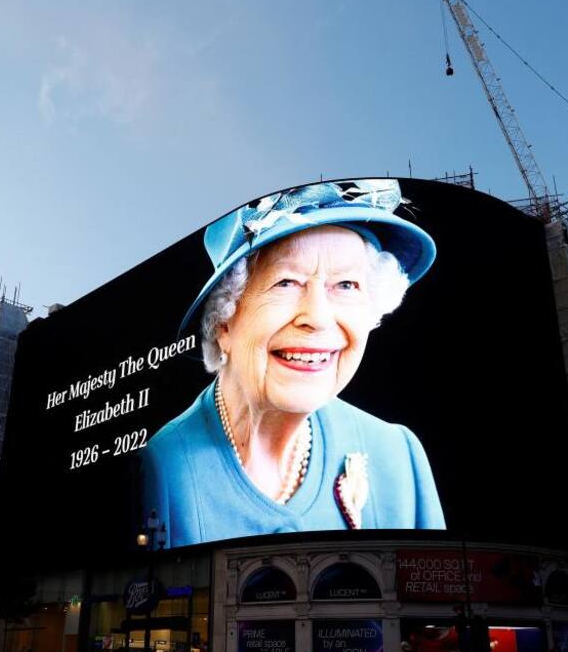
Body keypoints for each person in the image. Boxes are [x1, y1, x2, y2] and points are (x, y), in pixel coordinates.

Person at [141, 178, 445, 548]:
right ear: (223, 321)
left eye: (346, 285)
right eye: (286, 283)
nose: (317, 317)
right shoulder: (163, 470)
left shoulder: (398, 457)